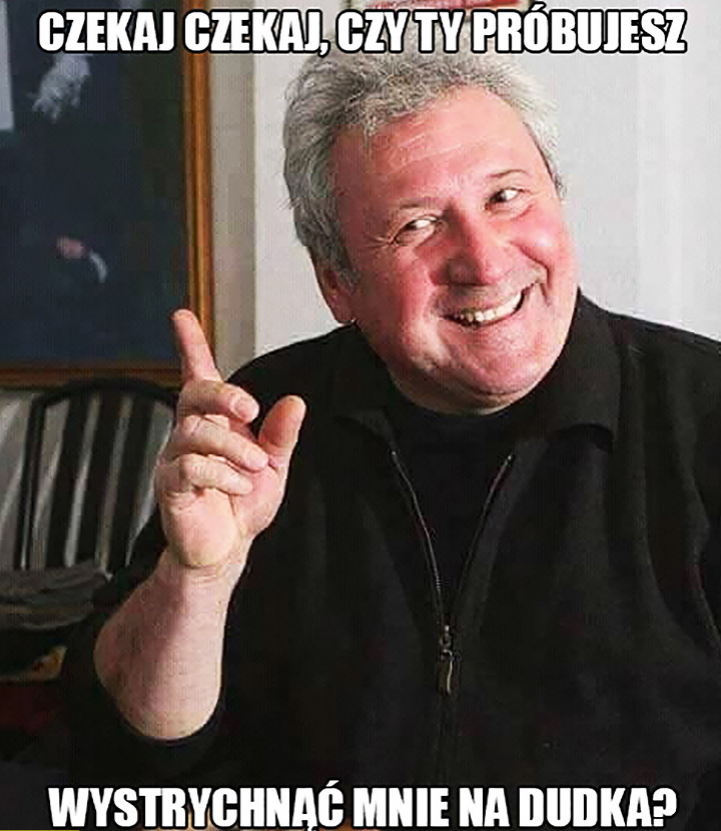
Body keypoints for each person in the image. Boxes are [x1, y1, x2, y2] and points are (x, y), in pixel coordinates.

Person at [65, 40, 721, 829]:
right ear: (337, 282)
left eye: (507, 196)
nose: (483, 261)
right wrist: (195, 582)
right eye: (418, 224)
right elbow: (132, 756)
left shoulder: (703, 415)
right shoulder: (264, 417)